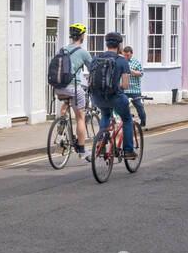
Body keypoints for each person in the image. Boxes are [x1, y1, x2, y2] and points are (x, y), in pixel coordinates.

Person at [91, 32, 136, 159]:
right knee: (127, 119)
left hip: (98, 97)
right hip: (115, 97)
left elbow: (90, 81)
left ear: (106, 44)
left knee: (105, 114)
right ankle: (128, 151)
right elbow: (125, 85)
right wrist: (117, 87)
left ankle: (101, 143)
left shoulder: (95, 58)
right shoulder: (122, 60)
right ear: (119, 45)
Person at [55, 24, 93, 159]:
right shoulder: (83, 52)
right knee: (80, 117)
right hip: (73, 86)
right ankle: (82, 150)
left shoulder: (62, 49)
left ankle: (62, 121)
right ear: (82, 36)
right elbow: (93, 69)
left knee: (67, 101)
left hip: (58, 87)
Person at [121, 46, 146, 127]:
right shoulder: (122, 61)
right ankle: (126, 121)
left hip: (135, 90)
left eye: (127, 55)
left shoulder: (136, 62)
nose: (126, 57)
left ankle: (143, 119)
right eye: (124, 55)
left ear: (131, 54)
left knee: (139, 106)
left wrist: (131, 70)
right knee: (123, 106)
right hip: (124, 89)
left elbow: (141, 74)